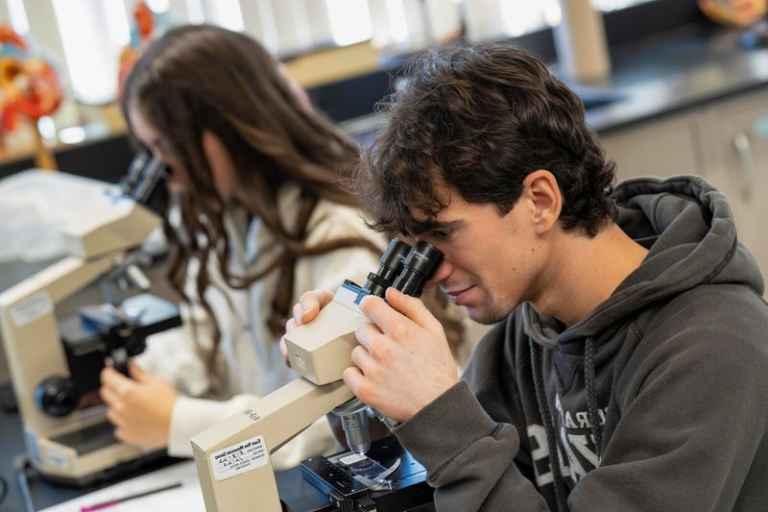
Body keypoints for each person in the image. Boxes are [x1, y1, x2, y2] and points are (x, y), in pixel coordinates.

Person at [287, 43, 768, 510]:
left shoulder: (714, 347)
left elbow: (464, 456)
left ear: (539, 200)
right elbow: (454, 480)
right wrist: (357, 381)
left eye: (444, 234)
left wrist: (442, 415)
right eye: (416, 248)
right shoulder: (528, 330)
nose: (433, 274)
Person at [98, 24, 450, 469]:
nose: (168, 174)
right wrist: (133, 382)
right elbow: (209, 339)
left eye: (167, 147)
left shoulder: (336, 236)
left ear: (231, 127)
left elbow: (341, 426)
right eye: (150, 151)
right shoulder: (223, 222)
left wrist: (178, 421)